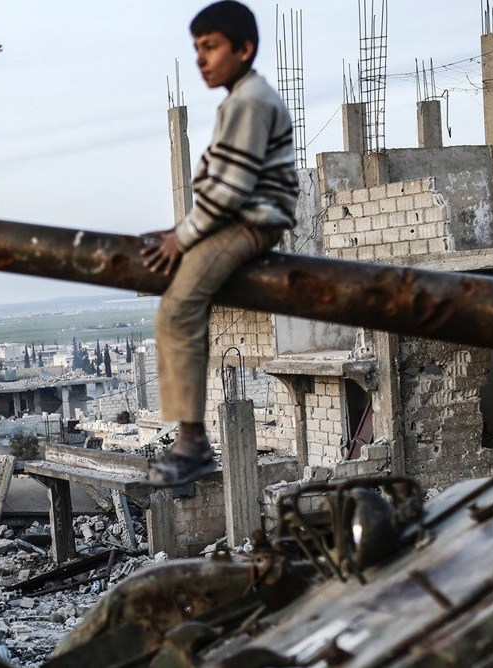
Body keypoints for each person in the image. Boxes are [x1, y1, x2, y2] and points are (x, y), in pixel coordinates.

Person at [141, 1, 298, 486]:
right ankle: (190, 433)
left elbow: (229, 191)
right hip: (237, 220)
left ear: (244, 48)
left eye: (211, 48)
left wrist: (182, 237)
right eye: (197, 50)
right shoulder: (240, 100)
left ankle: (192, 441)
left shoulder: (250, 102)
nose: (202, 60)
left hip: (248, 224)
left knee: (179, 306)